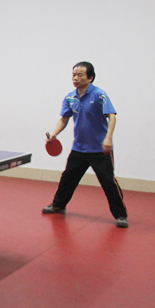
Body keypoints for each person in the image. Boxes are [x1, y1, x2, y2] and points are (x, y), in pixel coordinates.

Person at [42, 61, 128, 228]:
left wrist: (108, 138)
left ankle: (121, 215)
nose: (75, 78)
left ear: (90, 78)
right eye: (74, 75)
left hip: (99, 149)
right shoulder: (70, 97)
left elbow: (112, 116)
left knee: (108, 182)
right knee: (68, 178)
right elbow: (64, 119)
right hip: (79, 148)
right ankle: (58, 205)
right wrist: (54, 134)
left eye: (80, 75)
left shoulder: (100, 95)